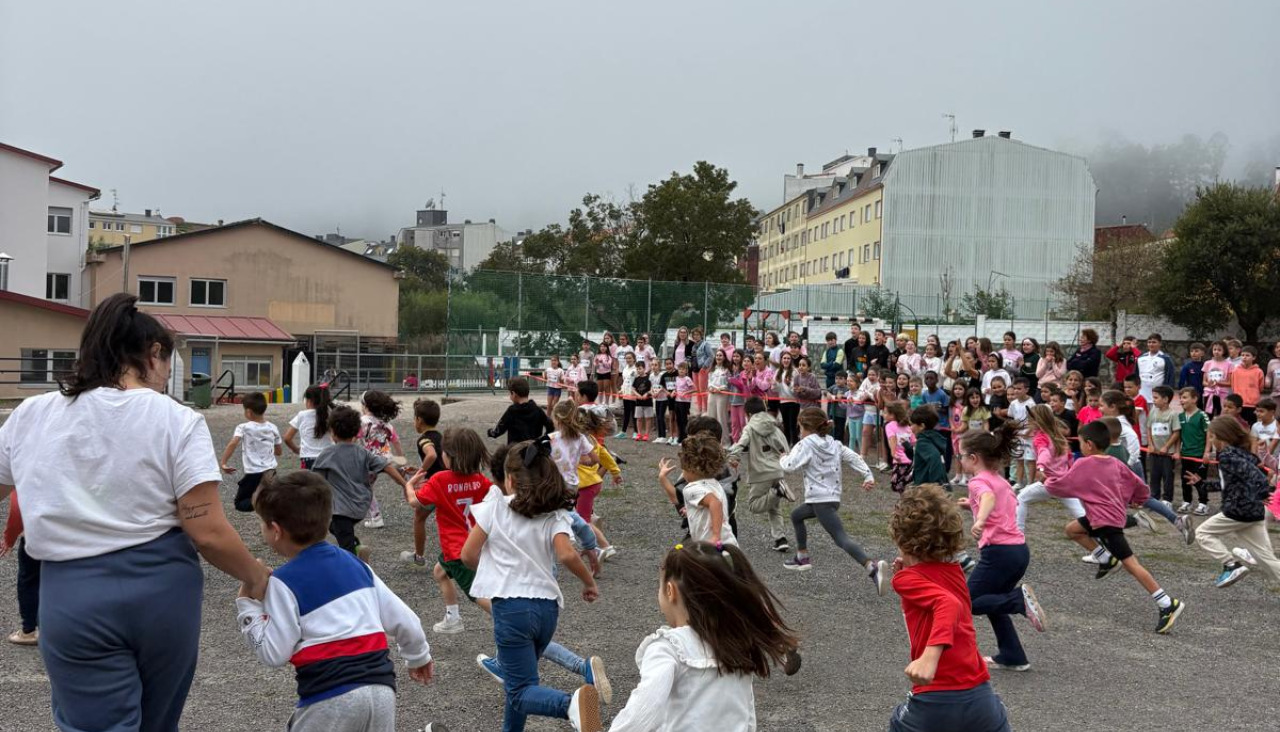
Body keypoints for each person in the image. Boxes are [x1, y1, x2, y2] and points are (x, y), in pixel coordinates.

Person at [0, 292, 271, 732]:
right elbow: (207, 532)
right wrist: (256, 575)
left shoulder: (32, 414)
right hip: (163, 592)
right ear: (154, 353)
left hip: (72, 593)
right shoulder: (176, 419)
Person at [234, 472, 434, 732]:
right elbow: (405, 619)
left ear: (275, 530)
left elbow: (274, 653)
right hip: (381, 690)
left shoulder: (283, 582)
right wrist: (418, 656)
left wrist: (248, 605)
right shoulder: (357, 565)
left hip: (328, 697)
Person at [460, 439, 603, 732]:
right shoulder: (556, 514)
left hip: (511, 609)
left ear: (509, 479)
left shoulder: (494, 508)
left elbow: (468, 555)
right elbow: (565, 554)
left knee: (519, 690)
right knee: (522, 680)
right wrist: (589, 582)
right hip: (547, 609)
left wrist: (492, 569)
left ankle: (570, 704)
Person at [606, 542, 799, 731]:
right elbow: (746, 713)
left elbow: (644, 710)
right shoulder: (736, 643)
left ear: (670, 591)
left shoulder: (669, 648)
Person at [887, 485, 1011, 732]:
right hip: (982, 699)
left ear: (900, 539)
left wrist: (929, 658)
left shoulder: (904, 579)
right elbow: (947, 599)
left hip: (936, 698)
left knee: (898, 723)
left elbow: (948, 604)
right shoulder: (955, 573)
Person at [1044, 421, 1185, 634]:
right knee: (1072, 529)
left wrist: (1048, 480)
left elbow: (1063, 485)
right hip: (1107, 516)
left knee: (1132, 565)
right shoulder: (1115, 463)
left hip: (1105, 522)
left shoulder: (1084, 463)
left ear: (1089, 444)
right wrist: (1139, 498)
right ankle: (1105, 558)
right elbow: (1139, 485)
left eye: (1081, 442)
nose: (1080, 446)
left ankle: (1167, 603)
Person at [956, 423, 1047, 672]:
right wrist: (971, 506)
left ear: (973, 458)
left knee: (968, 602)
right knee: (992, 600)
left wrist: (981, 518)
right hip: (1018, 551)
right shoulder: (1001, 480)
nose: (960, 460)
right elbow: (998, 502)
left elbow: (988, 499)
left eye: (961, 456)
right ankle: (1012, 654)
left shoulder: (977, 482)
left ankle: (1018, 600)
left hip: (998, 553)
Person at [780, 408, 889, 595]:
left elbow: (790, 466)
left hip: (820, 500)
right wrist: (868, 475)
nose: (799, 431)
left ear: (805, 426)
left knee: (840, 538)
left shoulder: (805, 443)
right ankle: (802, 557)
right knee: (796, 515)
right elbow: (854, 457)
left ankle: (871, 567)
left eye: (799, 426)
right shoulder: (834, 444)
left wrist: (782, 459)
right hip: (830, 498)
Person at [1187, 417, 1280, 587]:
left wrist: (1263, 491)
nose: (1211, 441)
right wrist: (1201, 484)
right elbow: (1226, 484)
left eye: (1212, 437)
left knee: (1202, 533)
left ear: (1223, 437)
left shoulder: (1228, 456)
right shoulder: (1239, 453)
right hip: (1253, 511)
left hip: (1238, 510)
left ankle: (1231, 565)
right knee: (1265, 558)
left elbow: (1256, 475)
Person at [314, 407, 411, 562]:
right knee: (335, 528)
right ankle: (355, 545)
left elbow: (314, 480)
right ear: (357, 431)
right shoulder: (363, 452)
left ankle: (355, 568)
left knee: (345, 548)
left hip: (341, 510)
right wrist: (405, 485)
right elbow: (387, 466)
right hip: (361, 507)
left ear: (332, 431)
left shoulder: (327, 454)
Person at [729, 397, 793, 553]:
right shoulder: (774, 426)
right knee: (774, 506)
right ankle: (780, 539)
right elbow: (785, 446)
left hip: (761, 472)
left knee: (753, 505)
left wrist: (733, 457)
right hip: (777, 470)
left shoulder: (750, 427)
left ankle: (777, 491)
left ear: (748, 413)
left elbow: (741, 443)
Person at [1013, 404, 1084, 532]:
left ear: (1037, 421)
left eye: (1030, 419)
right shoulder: (1058, 436)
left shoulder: (1041, 437)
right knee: (1081, 513)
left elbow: (1043, 453)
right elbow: (1068, 458)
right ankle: (1101, 541)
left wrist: (1040, 468)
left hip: (1050, 482)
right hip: (1064, 481)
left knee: (1020, 498)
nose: (1028, 422)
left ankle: (1018, 534)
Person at [659, 434, 736, 546]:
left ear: (691, 469)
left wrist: (715, 536)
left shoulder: (692, 488)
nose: (683, 473)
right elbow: (712, 503)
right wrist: (691, 510)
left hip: (712, 548)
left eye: (683, 469)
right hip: (729, 543)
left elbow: (715, 502)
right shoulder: (715, 484)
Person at [219, 391, 283, 512]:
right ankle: (270, 501)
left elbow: (233, 443)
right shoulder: (273, 428)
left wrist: (223, 462)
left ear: (248, 412)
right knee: (269, 494)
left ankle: (263, 503)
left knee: (240, 503)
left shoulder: (243, 427)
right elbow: (279, 452)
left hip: (254, 473)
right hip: (271, 471)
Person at [401, 398, 445, 568]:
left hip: (435, 485)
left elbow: (432, 455)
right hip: (447, 482)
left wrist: (419, 473)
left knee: (419, 517)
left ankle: (419, 557)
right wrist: (421, 467)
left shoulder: (423, 439)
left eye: (414, 418)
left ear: (418, 420)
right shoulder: (440, 436)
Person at [357, 390, 404, 530]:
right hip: (387, 458)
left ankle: (376, 517)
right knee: (402, 481)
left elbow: (354, 438)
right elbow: (396, 441)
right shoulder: (386, 423)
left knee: (366, 487)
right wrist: (401, 459)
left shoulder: (362, 422)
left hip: (370, 461)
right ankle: (416, 496)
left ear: (366, 406)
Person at [1, 494, 39, 646]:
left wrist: (8, 539)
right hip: (70, 535)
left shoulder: (26, 469)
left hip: (36, 536)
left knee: (29, 581)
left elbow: (17, 510)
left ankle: (29, 631)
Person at [1176, 387, 1211, 516]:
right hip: (1185, 454)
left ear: (1194, 399)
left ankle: (1203, 504)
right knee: (1185, 479)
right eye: (1180, 397)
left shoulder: (1202, 415)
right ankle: (1187, 501)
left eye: (1185, 397)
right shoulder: (1180, 416)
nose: (1181, 400)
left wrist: (1207, 452)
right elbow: (1178, 435)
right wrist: (1177, 450)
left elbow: (1209, 434)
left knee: (1199, 479)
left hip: (1199, 455)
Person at [490, 376, 555, 444]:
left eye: (509, 393)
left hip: (515, 451)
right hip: (533, 451)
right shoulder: (538, 410)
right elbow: (551, 426)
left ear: (514, 394)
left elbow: (500, 428)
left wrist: (491, 433)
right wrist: (543, 441)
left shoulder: (512, 411)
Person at [284, 383, 334, 470]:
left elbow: (287, 438)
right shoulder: (330, 415)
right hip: (327, 457)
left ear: (309, 401)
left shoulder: (302, 415)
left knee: (309, 482)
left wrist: (296, 449)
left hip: (308, 458)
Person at [908, 406, 948, 486]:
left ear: (922, 426)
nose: (910, 428)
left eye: (912, 424)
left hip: (927, 489)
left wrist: (936, 484)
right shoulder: (934, 439)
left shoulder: (922, 442)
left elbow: (934, 457)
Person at [855, 367, 884, 469]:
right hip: (868, 411)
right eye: (869, 374)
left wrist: (869, 395)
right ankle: (863, 455)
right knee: (865, 432)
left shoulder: (880, 383)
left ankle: (881, 458)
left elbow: (879, 396)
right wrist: (864, 395)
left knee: (879, 435)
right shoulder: (865, 381)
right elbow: (859, 393)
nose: (871, 377)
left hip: (878, 412)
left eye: (873, 375)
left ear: (878, 376)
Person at [885, 401, 915, 493]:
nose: (883, 414)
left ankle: (906, 503)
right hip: (910, 459)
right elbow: (913, 441)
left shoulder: (889, 425)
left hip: (899, 459)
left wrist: (893, 453)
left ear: (892, 415)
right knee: (903, 485)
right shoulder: (907, 425)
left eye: (885, 412)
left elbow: (892, 439)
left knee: (896, 485)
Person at [1136, 334, 1176, 403]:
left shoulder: (1165, 359)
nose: (1151, 344)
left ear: (1160, 343)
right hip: (1142, 394)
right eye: (1149, 342)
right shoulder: (1141, 358)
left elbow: (1170, 377)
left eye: (1154, 342)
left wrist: (1167, 393)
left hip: (1158, 396)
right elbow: (1135, 375)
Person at [1231, 346, 1265, 423]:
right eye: (1242, 355)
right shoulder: (1236, 370)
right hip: (1238, 403)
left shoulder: (1258, 371)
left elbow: (1261, 387)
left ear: (1254, 357)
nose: (1244, 357)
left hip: (1252, 404)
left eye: (1247, 355)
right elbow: (1233, 385)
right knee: (1238, 425)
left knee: (1251, 424)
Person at [706, 350, 732, 444]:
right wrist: (710, 388)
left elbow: (729, 383)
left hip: (722, 395)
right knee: (711, 417)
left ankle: (724, 441)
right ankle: (711, 441)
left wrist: (721, 388)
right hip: (712, 394)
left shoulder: (727, 369)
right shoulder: (712, 369)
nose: (718, 357)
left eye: (720, 355)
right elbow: (709, 381)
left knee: (722, 418)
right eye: (717, 355)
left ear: (724, 357)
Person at [1202, 341, 1233, 417]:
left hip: (1222, 394)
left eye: (1219, 350)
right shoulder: (1207, 363)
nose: (1216, 352)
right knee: (1208, 415)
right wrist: (1209, 384)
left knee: (1221, 415)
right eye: (1214, 349)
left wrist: (1218, 383)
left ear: (1224, 351)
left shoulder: (1229, 364)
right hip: (1209, 393)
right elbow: (1204, 382)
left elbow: (1230, 383)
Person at [616, 352, 639, 439]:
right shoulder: (625, 369)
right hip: (625, 393)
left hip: (633, 394)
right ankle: (623, 432)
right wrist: (621, 390)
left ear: (634, 359)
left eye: (630, 358)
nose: (628, 360)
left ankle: (636, 432)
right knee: (626, 413)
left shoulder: (636, 369)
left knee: (634, 413)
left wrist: (635, 392)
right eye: (627, 358)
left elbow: (637, 381)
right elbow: (624, 381)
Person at [632, 360, 655, 442]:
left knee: (648, 418)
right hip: (639, 401)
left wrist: (647, 394)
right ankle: (639, 433)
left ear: (644, 368)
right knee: (639, 418)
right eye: (637, 369)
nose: (638, 370)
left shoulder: (649, 378)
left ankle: (646, 434)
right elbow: (633, 389)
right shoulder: (636, 379)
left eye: (640, 368)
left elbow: (652, 388)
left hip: (648, 401)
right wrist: (637, 395)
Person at [673, 362, 694, 442]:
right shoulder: (677, 378)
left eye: (683, 369)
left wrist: (685, 392)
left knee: (684, 419)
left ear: (686, 370)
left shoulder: (687, 379)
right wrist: (674, 392)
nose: (681, 370)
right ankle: (680, 436)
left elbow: (694, 389)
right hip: (677, 400)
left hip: (685, 402)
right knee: (678, 419)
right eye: (680, 369)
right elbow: (676, 388)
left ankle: (685, 437)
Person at [827, 371, 850, 446]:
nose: (838, 380)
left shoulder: (847, 389)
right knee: (831, 429)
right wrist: (829, 394)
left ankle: (839, 445)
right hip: (832, 412)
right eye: (836, 378)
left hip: (841, 414)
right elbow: (825, 391)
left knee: (839, 430)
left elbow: (848, 396)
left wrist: (841, 396)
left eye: (840, 379)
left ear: (845, 380)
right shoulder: (833, 387)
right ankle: (830, 444)